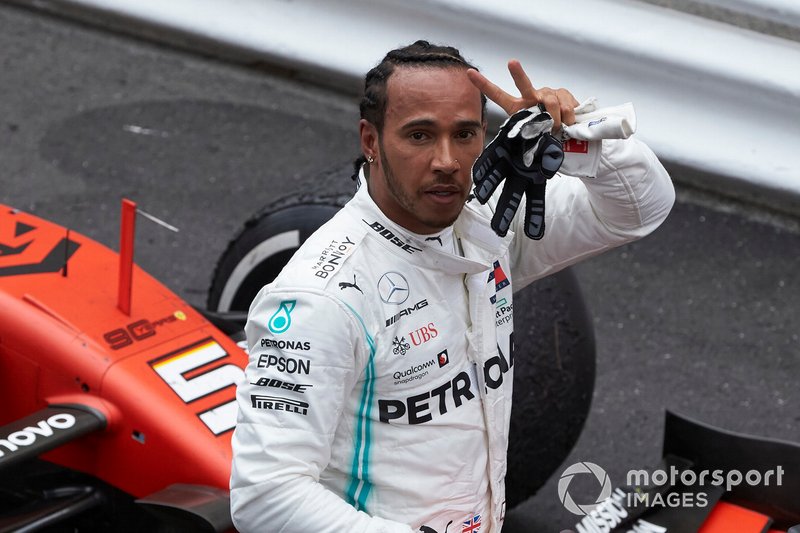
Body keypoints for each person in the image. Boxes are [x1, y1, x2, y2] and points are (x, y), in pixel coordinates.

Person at [230, 40, 675, 533]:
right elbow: (265, 496)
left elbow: (643, 208)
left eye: (464, 134)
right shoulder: (323, 295)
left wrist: (572, 140)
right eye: (419, 136)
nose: (447, 160)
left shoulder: (486, 227)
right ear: (371, 141)